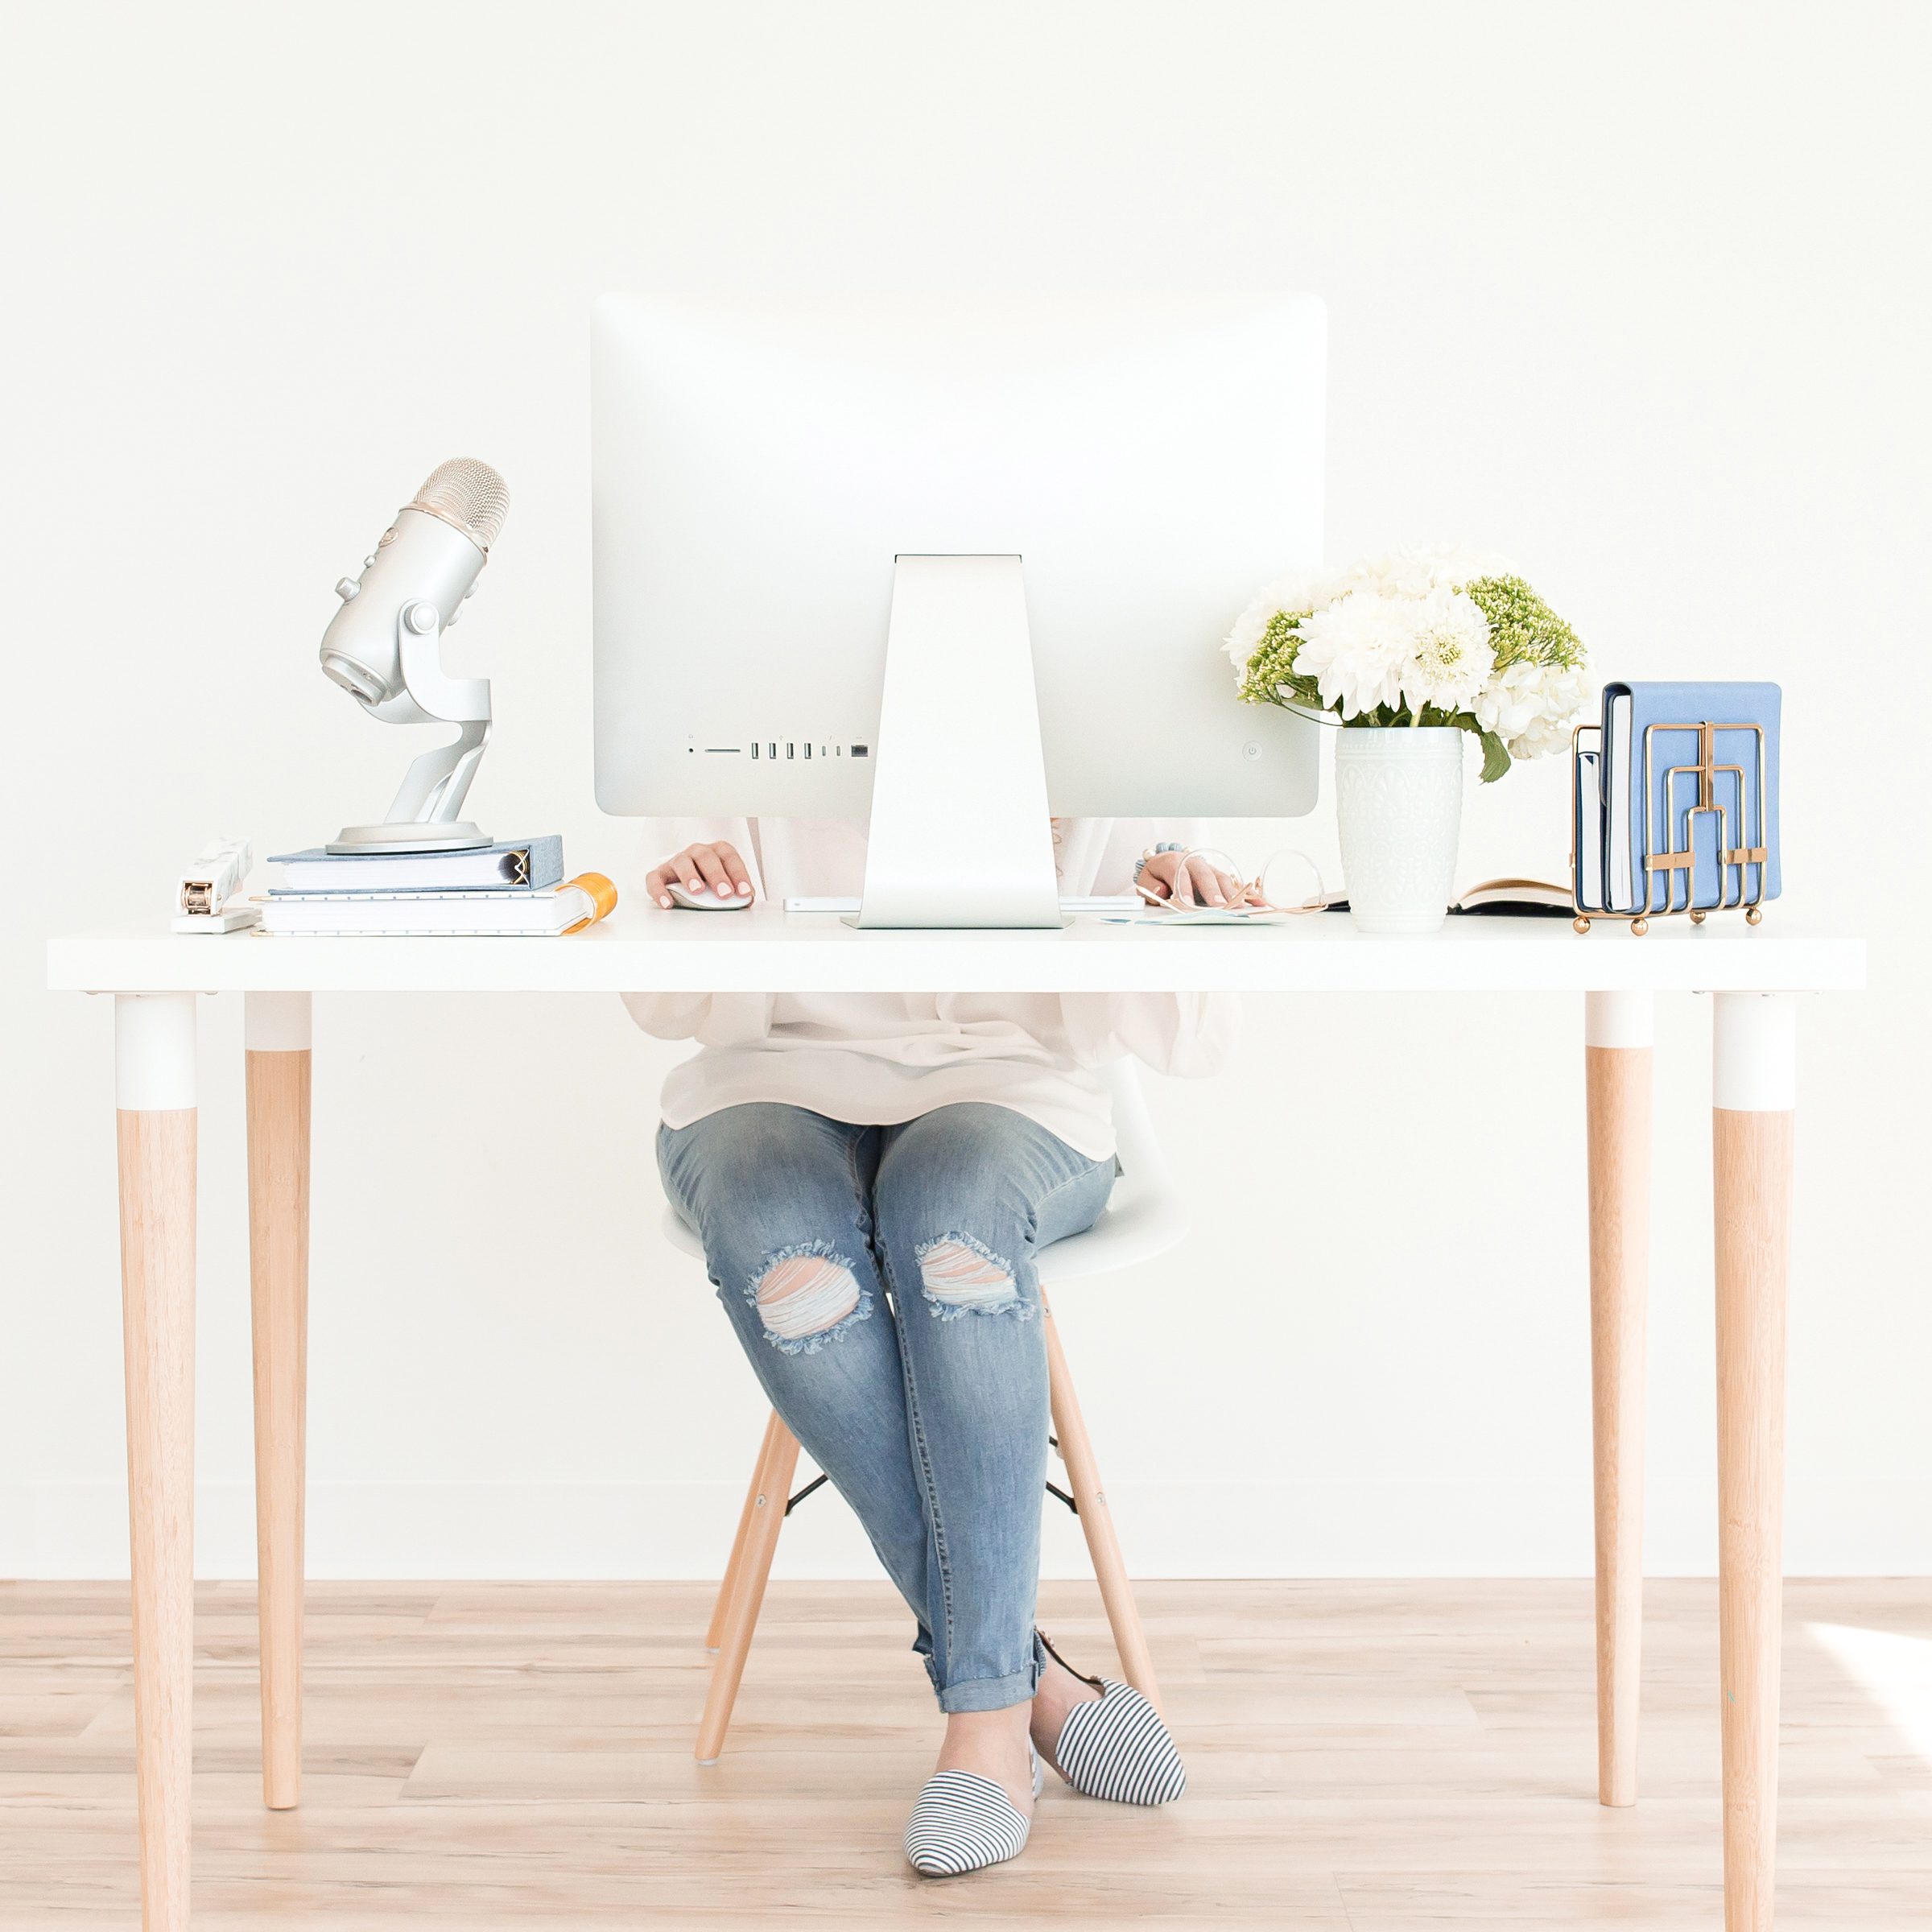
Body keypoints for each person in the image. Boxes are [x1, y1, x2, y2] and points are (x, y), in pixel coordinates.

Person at [627, 818, 1248, 1877]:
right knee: (791, 1269)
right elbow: (666, 1003)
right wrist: (693, 902)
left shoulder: (1089, 709)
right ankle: (1026, 1684)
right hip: (761, 1086)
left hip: (1008, 1090)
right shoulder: (760, 682)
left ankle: (985, 1723)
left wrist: (1158, 913)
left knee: (951, 1227)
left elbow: (1195, 1041)